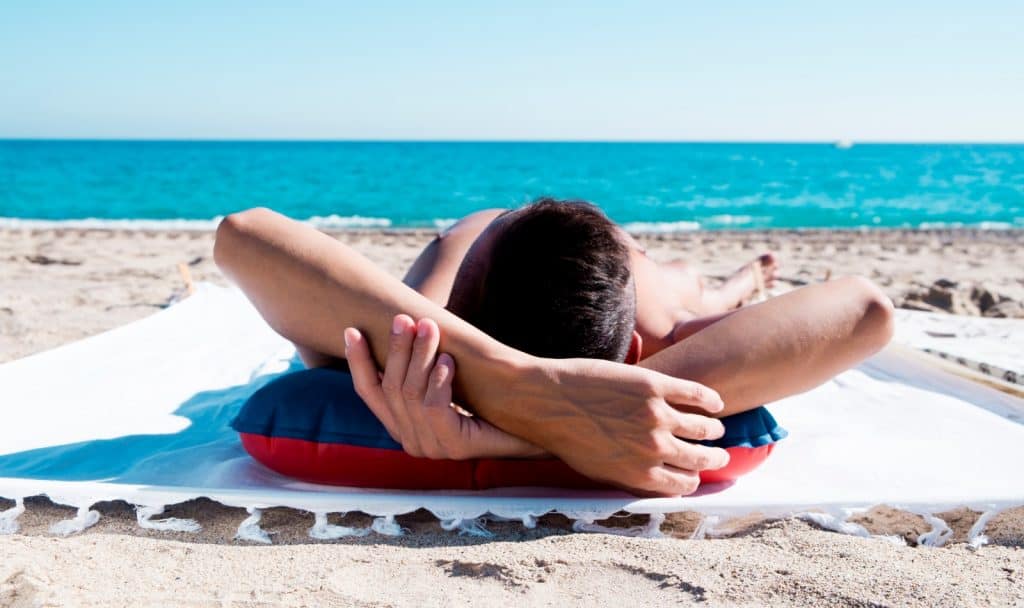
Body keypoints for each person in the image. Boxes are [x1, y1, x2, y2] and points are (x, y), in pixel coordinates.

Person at [213, 201, 893, 496]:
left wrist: (513, 423)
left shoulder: (652, 329)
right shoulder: (443, 312)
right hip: (550, 258)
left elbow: (868, 309)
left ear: (631, 358)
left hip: (618, 273)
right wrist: (527, 396)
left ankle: (743, 281)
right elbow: (243, 235)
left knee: (698, 297)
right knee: (691, 302)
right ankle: (737, 284)